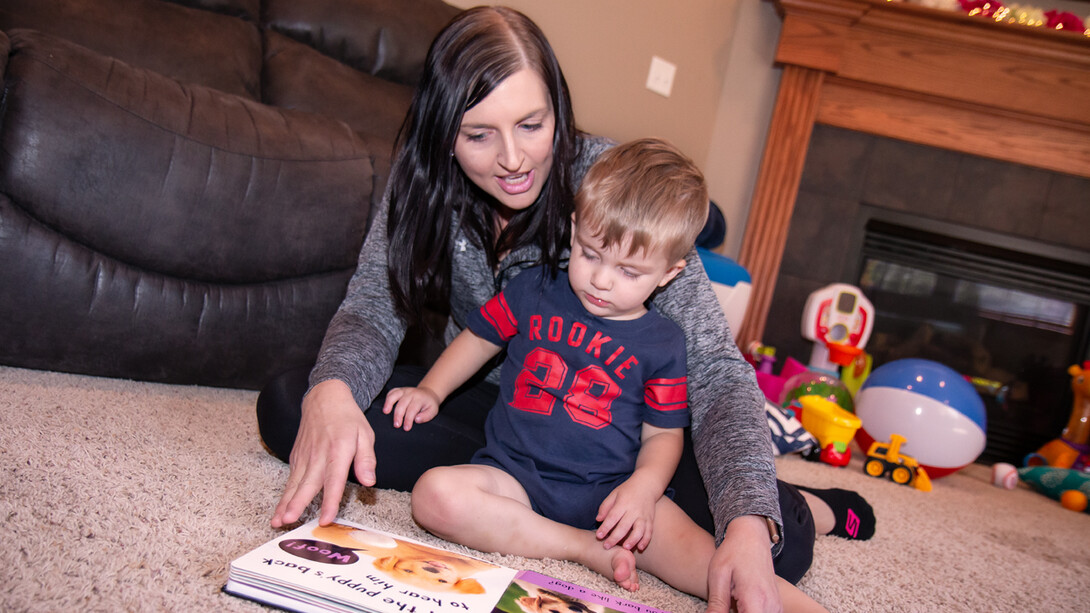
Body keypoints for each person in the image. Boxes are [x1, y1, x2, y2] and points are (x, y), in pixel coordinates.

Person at [255, 7, 874, 613]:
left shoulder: (615, 195)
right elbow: (373, 305)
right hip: (497, 411)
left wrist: (745, 516)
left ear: (558, 108)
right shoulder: (420, 186)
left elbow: (715, 369)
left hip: (617, 428)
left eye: (532, 124)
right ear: (442, 134)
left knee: (771, 550)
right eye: (478, 135)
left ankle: (812, 503)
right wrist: (333, 391)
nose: (513, 159)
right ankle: (555, 523)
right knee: (294, 410)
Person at [385, 138, 826, 612]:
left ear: (669, 273)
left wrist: (642, 490)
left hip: (613, 495)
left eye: (629, 271)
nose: (601, 279)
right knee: (434, 498)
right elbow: (478, 339)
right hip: (512, 474)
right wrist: (431, 388)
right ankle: (579, 548)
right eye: (591, 254)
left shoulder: (663, 342)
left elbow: (662, 437)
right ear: (575, 230)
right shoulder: (534, 288)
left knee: (721, 567)